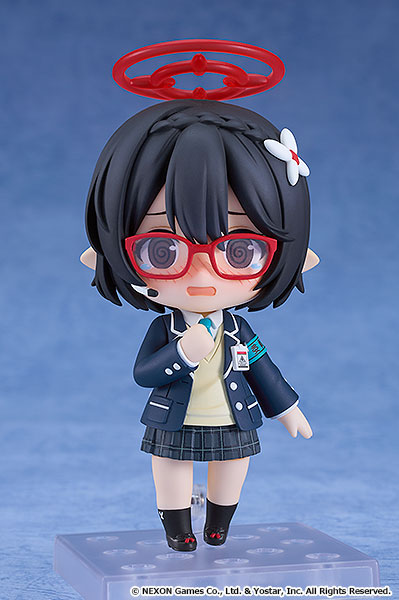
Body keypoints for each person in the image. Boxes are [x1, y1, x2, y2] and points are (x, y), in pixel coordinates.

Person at [81, 99, 318, 552]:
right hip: (174, 417)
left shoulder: (238, 332)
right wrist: (181, 354)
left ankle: (218, 525)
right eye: (162, 251)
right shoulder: (166, 329)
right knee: (170, 468)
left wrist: (286, 407)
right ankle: (178, 529)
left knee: (233, 467)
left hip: (234, 415)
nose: (201, 275)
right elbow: (143, 373)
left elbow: (263, 369)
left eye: (240, 252)